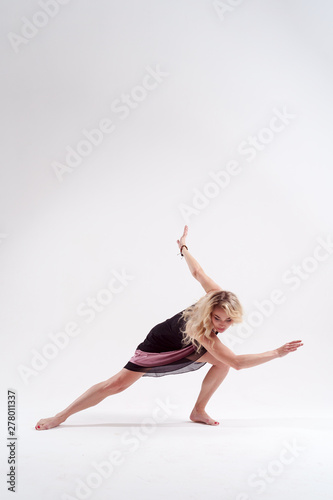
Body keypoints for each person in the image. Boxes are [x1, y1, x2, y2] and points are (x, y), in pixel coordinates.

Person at [35, 225, 303, 430]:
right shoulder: (204, 328)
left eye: (228, 321)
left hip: (188, 344)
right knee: (116, 385)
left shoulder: (217, 300)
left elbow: (198, 273)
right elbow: (237, 362)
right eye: (217, 318)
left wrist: (185, 248)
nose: (222, 325)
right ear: (211, 309)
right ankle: (61, 416)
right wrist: (277, 353)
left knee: (219, 364)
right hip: (160, 344)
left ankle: (198, 410)